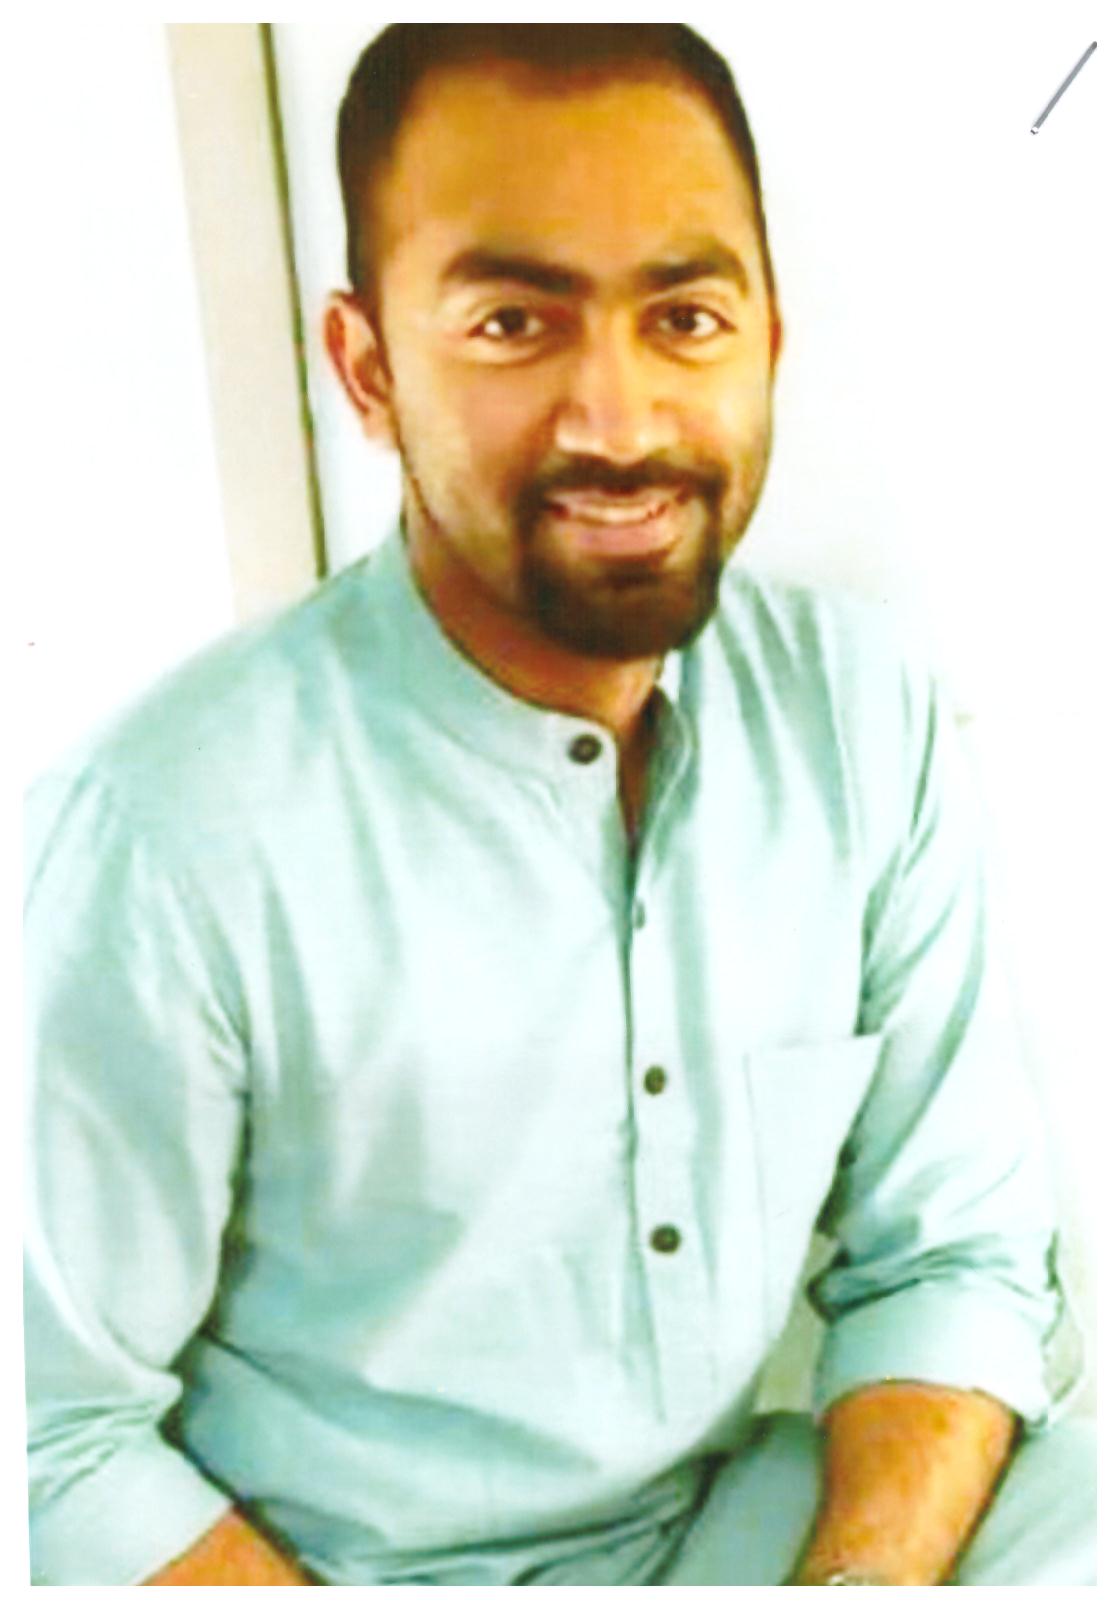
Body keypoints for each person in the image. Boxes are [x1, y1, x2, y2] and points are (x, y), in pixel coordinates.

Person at [24, 23, 1094, 1587]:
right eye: (515, 323)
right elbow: (47, 1435)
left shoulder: (863, 720)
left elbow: (955, 1255)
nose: (620, 418)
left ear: (768, 340)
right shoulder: (162, 831)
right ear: (368, 370)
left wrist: (854, 1588)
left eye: (685, 318)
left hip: (739, 1539)